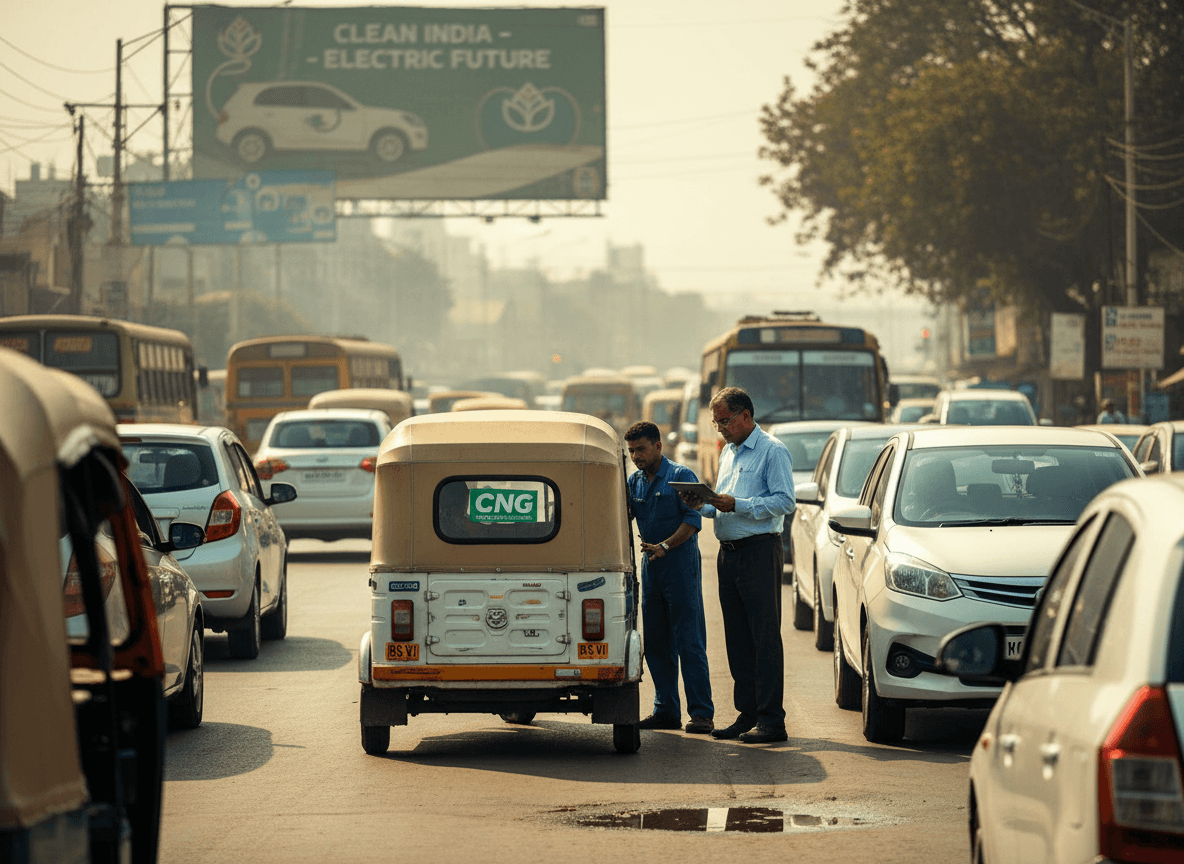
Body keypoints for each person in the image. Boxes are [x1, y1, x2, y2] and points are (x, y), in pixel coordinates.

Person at [679, 387, 795, 744]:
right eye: (716, 423)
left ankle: (772, 720)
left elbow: (784, 501)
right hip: (728, 554)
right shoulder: (728, 452)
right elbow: (723, 503)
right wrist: (703, 504)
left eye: (725, 421)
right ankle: (748, 713)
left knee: (764, 637)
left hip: (759, 551)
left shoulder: (772, 451)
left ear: (746, 415)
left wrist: (738, 505)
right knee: (738, 639)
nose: (721, 429)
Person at [624, 421, 714, 734]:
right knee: (658, 644)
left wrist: (665, 546)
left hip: (680, 567)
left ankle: (701, 713)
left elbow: (693, 521)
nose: (636, 456)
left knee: (689, 641)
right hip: (652, 569)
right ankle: (665, 711)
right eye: (632, 451)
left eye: (641, 449)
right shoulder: (634, 482)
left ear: (658, 446)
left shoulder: (681, 477)